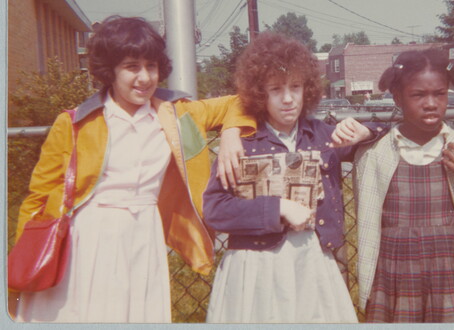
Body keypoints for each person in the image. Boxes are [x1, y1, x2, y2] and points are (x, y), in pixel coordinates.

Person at [11, 16, 255, 323]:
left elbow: (240, 102)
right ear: (110, 71)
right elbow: (38, 196)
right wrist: (24, 264)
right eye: (131, 67)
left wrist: (231, 133)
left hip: (144, 235)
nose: (144, 77)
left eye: (151, 66)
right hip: (88, 238)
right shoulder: (75, 123)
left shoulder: (177, 114)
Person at [202, 31, 378, 323]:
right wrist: (276, 208)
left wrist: (366, 131)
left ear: (307, 89)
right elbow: (215, 209)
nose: (287, 99)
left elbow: (387, 131)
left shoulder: (322, 135)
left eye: (295, 87)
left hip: (312, 260)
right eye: (275, 89)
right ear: (260, 93)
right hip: (257, 265)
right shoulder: (243, 142)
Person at [354, 48, 454, 323]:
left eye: (440, 94)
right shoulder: (373, 156)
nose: (431, 103)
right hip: (394, 280)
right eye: (418, 95)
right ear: (398, 97)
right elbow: (368, 228)